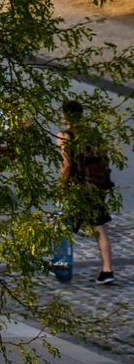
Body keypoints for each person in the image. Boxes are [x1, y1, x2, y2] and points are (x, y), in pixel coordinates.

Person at [57, 101, 116, 284]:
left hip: (77, 188)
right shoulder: (93, 134)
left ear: (65, 115)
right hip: (95, 187)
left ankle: (61, 265)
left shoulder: (65, 136)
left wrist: (61, 187)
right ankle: (107, 271)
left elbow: (66, 166)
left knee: (63, 226)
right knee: (99, 227)